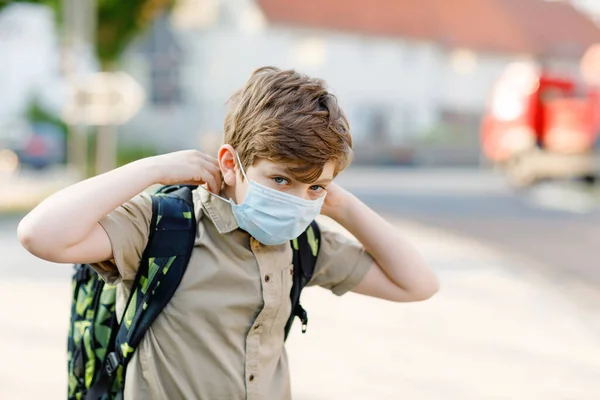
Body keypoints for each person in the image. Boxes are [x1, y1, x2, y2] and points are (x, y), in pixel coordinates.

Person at [18, 66, 439, 399]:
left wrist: (340, 203)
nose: (297, 199)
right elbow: (40, 234)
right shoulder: (163, 226)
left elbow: (418, 284)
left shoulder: (303, 242)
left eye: (314, 186)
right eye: (280, 180)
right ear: (230, 163)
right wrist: (151, 169)